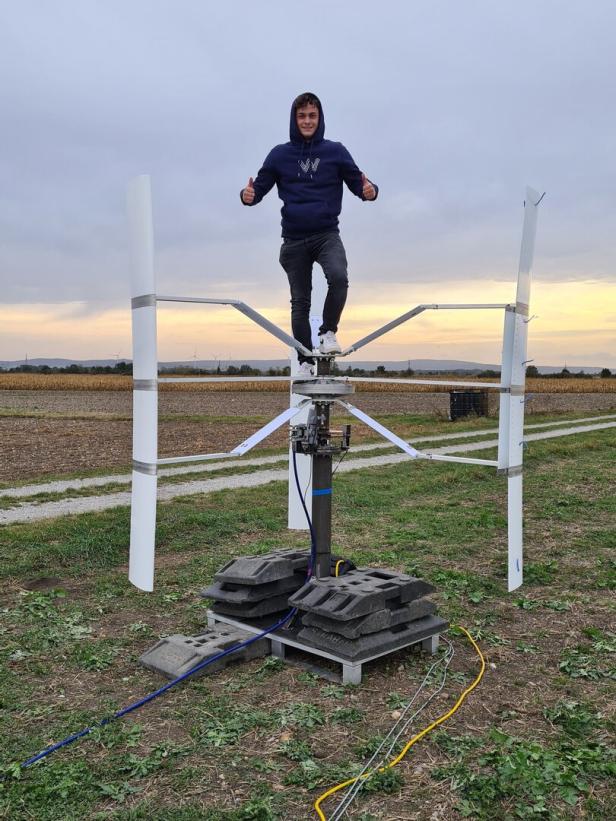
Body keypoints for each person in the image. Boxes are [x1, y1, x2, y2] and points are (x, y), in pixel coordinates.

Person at [240, 92, 378, 377]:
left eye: (312, 116)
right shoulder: (279, 154)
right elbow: (259, 190)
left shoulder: (336, 151)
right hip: (293, 239)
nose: (307, 121)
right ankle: (305, 361)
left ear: (320, 118)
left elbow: (359, 183)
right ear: (294, 119)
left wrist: (370, 190)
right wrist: (247, 195)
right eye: (301, 116)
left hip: (326, 234)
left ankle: (328, 333)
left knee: (339, 277)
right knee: (300, 302)